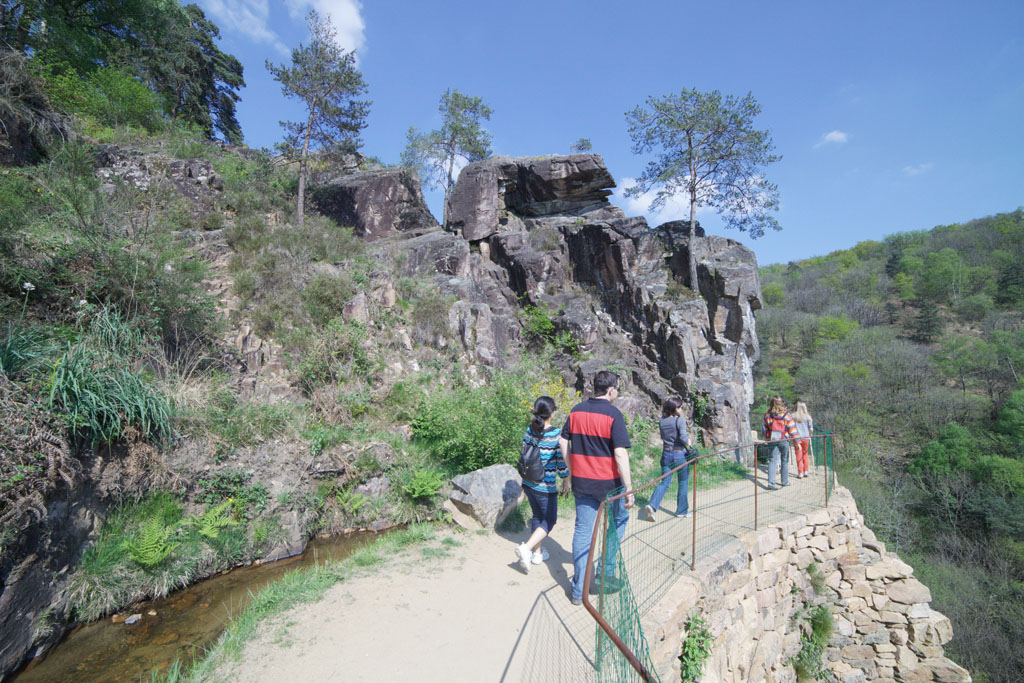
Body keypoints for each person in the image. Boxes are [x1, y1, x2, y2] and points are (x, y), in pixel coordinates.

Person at [559, 370, 633, 606]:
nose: (617, 392)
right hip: (609, 486)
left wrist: (570, 472)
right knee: (619, 521)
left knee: (583, 533)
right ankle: (604, 570)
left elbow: (562, 440)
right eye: (617, 388)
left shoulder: (576, 411)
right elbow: (620, 453)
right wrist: (628, 488)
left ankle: (578, 591)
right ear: (610, 389)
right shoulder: (614, 415)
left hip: (581, 483)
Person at [515, 396, 570, 573]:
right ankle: (527, 548)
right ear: (551, 413)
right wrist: (566, 480)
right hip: (544, 486)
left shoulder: (530, 430)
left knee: (537, 516)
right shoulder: (555, 434)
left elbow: (524, 453)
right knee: (550, 520)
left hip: (528, 482)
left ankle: (537, 554)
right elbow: (561, 462)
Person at [644, 397, 693, 521]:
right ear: (675, 408)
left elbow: (662, 436)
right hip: (679, 454)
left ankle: (652, 505)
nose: (681, 409)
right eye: (680, 407)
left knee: (665, 482)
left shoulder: (662, 421)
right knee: (683, 482)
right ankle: (681, 511)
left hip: (666, 454)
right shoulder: (679, 421)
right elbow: (682, 437)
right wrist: (688, 441)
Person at [762, 396, 799, 490]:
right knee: (785, 460)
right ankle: (784, 481)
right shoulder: (786, 415)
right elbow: (792, 430)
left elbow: (765, 428)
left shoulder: (767, 415)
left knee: (772, 460)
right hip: (784, 440)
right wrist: (797, 442)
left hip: (772, 440)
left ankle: (771, 483)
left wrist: (767, 438)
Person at [791, 400, 814, 479]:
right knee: (805, 454)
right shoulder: (808, 417)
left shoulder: (793, 416)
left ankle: (800, 472)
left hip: (797, 438)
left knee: (798, 454)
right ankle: (806, 471)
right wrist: (810, 435)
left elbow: (791, 428)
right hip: (806, 438)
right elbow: (811, 429)